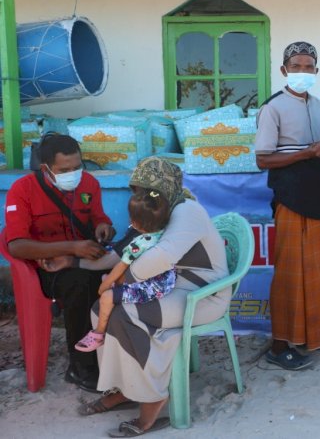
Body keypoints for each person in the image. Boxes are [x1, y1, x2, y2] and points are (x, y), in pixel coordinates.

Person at [71, 157, 230, 436]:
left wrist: (121, 281)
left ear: (162, 188)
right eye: (136, 190)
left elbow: (162, 256)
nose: (139, 196)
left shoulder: (186, 211)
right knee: (101, 310)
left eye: (143, 190)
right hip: (169, 287)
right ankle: (125, 389)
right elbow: (123, 255)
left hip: (202, 295)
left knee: (128, 314)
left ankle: (152, 396)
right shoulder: (156, 208)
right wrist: (74, 264)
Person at [255, 41, 320, 371]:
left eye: (309, 67)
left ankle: (315, 337)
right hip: (290, 196)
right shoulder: (273, 108)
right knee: (290, 272)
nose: (303, 72)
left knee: (314, 271)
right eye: (296, 66)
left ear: (317, 72)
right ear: (284, 71)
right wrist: (305, 154)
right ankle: (280, 346)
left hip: (317, 195)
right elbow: (263, 159)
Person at [4, 133, 115, 392]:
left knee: (127, 274)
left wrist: (103, 228)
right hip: (45, 268)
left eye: (77, 167)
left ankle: (122, 357)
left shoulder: (88, 184)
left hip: (84, 257)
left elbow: (100, 218)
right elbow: (16, 246)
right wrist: (71, 248)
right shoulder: (22, 190)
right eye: (64, 170)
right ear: (46, 169)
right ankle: (81, 367)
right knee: (81, 283)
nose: (73, 174)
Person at [74, 190, 175, 352]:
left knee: (107, 296)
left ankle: (98, 334)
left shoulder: (139, 244)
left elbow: (121, 266)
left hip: (152, 288)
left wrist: (104, 287)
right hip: (167, 281)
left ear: (134, 222)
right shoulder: (167, 232)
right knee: (113, 279)